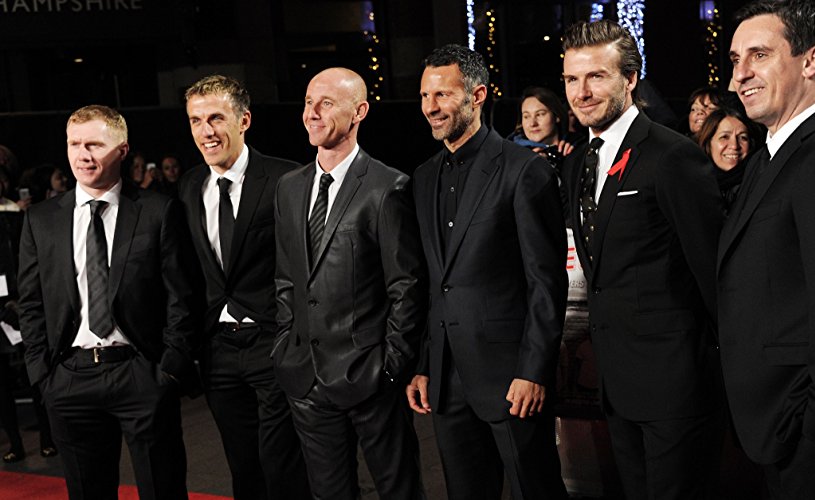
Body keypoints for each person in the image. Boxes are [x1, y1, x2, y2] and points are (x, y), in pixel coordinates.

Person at [560, 20, 724, 500]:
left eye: (596, 76)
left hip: (677, 390)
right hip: (616, 386)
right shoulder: (578, 162)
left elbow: (714, 274)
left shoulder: (672, 156)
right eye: (571, 79)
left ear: (631, 79)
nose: (581, 92)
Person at [406, 44, 569, 500]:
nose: (430, 107)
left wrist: (533, 371)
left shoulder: (523, 171)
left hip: (512, 380)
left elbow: (546, 282)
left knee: (536, 491)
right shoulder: (423, 177)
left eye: (442, 94)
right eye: (424, 96)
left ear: (477, 95)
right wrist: (424, 365)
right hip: (446, 381)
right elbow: (434, 282)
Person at [17, 105, 199, 499]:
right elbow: (30, 301)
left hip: (141, 373)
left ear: (122, 150)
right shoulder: (42, 219)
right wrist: (42, 374)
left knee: (163, 490)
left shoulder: (158, 210)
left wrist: (169, 369)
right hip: (69, 377)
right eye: (74, 144)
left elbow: (181, 296)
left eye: (94, 145)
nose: (82, 155)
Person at [274, 67, 427, 500]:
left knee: (399, 491)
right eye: (308, 102)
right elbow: (285, 278)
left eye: (325, 103)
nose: (311, 113)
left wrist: (390, 366)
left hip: (370, 378)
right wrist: (286, 345)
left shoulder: (387, 187)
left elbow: (406, 286)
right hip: (305, 378)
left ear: (359, 112)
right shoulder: (289, 188)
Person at [177, 74, 309, 500]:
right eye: (196, 120)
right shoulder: (188, 186)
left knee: (283, 464)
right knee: (242, 465)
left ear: (244, 120)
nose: (206, 131)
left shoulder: (286, 178)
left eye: (216, 118)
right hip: (218, 351)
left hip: (273, 343)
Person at [719, 1, 815, 496]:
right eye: (736, 60)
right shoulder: (764, 159)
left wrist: (805, 426)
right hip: (769, 429)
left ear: (810, 61)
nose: (740, 75)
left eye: (759, 55)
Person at [695, 107, 760, 213]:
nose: (734, 146)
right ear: (708, 143)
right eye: (724, 137)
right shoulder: (690, 185)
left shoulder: (757, 186)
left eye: (743, 137)